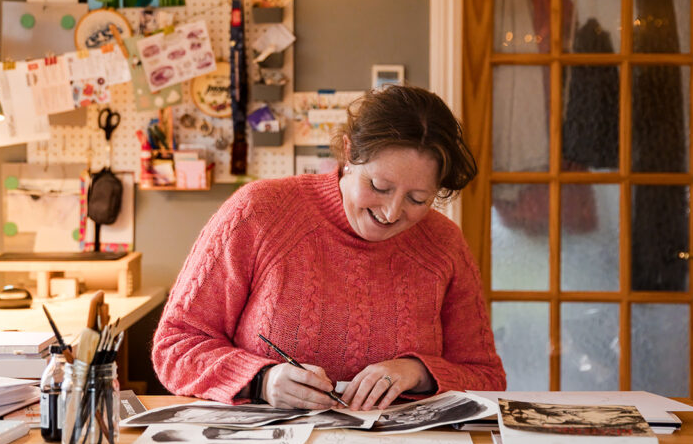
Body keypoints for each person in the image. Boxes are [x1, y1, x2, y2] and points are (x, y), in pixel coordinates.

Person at [152, 85, 506, 410]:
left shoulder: (443, 244)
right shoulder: (258, 212)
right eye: (379, 186)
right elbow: (175, 345)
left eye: (418, 198)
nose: (392, 212)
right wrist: (261, 380)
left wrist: (419, 372)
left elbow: (487, 377)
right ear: (349, 152)